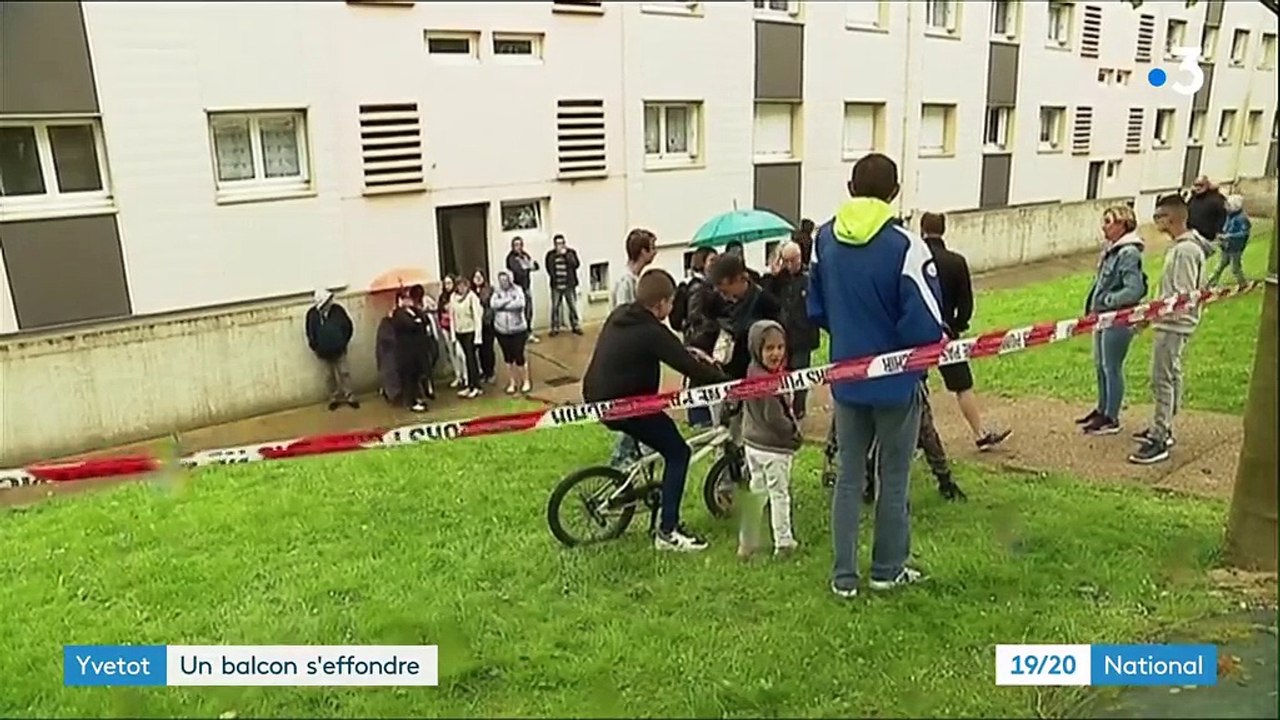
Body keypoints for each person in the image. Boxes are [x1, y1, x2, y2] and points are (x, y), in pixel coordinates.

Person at [808, 153, 946, 598]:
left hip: (848, 376)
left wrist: (850, 340)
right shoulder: (907, 245)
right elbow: (925, 322)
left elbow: (818, 308)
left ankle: (843, 576)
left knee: (849, 476)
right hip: (897, 380)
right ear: (895, 192)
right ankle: (887, 569)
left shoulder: (822, 240)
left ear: (850, 187)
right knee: (894, 476)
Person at [581, 268, 729, 552]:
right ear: (661, 303)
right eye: (671, 302)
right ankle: (667, 531)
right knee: (678, 453)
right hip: (627, 406)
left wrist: (690, 354)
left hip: (597, 398)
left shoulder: (621, 315)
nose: (671, 308)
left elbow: (675, 351)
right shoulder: (651, 331)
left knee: (657, 443)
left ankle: (644, 490)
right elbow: (686, 366)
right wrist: (728, 383)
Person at [1130, 194, 1213, 465]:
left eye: (1159, 217)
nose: (1155, 222)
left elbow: (1181, 295)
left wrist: (1150, 317)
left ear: (1173, 218)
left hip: (1174, 324)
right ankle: (1163, 425)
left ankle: (1160, 435)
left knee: (1162, 378)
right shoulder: (1180, 247)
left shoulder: (1186, 251)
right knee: (1171, 374)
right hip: (1170, 322)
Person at [918, 212, 1011, 451]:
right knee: (962, 385)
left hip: (915, 332)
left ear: (922, 229)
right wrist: (955, 327)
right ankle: (979, 433)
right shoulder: (956, 262)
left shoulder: (915, 259)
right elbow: (966, 304)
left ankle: (914, 437)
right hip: (947, 335)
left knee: (914, 384)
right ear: (944, 229)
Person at [1077, 205, 1147, 436]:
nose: (1104, 226)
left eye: (1109, 221)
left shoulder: (1128, 253)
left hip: (1118, 318)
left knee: (1112, 367)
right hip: (1102, 318)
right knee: (1100, 365)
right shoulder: (1111, 250)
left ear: (1123, 224)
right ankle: (1102, 408)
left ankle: (1111, 416)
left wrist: (1107, 300)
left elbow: (1134, 289)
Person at [737, 319, 803, 559]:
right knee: (779, 494)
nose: (776, 353)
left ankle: (747, 542)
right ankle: (784, 542)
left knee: (757, 492)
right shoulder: (767, 381)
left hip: (753, 445)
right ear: (757, 349)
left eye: (780, 347)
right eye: (769, 348)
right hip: (773, 448)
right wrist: (793, 433)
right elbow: (774, 417)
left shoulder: (752, 372)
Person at [608, 229, 659, 468]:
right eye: (653, 246)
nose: (656, 251)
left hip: (635, 355)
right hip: (626, 358)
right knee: (631, 407)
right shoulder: (625, 282)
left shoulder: (636, 280)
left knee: (639, 406)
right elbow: (624, 318)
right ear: (643, 251)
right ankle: (620, 457)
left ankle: (637, 449)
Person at [761, 240, 819, 419]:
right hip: (782, 335)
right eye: (786, 260)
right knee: (780, 376)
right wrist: (773, 275)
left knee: (800, 376)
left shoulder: (809, 279)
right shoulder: (778, 280)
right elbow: (765, 297)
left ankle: (799, 409)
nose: (789, 265)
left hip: (802, 336)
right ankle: (783, 410)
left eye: (793, 260)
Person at [707, 252, 783, 382]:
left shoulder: (766, 302)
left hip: (760, 380)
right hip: (729, 377)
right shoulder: (718, 304)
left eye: (724, 291)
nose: (723, 296)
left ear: (738, 279)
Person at [679, 247, 720, 428]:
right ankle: (699, 419)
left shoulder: (709, 286)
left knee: (702, 380)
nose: (714, 265)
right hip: (699, 342)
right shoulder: (698, 287)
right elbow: (694, 316)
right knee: (698, 380)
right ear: (701, 263)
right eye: (711, 261)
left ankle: (702, 418)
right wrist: (713, 326)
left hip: (703, 340)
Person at [305, 288, 359, 411]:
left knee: (345, 373)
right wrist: (315, 346)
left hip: (339, 349)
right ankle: (334, 398)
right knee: (329, 377)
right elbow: (310, 332)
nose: (330, 302)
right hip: (323, 352)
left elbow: (348, 326)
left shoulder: (338, 310)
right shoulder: (312, 315)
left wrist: (344, 341)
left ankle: (350, 397)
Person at [492, 271, 532, 395]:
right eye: (501, 280)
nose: (503, 282)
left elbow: (520, 304)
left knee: (519, 355)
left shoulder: (518, 290)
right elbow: (493, 304)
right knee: (508, 358)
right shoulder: (497, 292)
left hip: (518, 329)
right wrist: (508, 301)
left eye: (505, 280)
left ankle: (525, 381)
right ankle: (512, 382)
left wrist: (503, 305)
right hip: (501, 329)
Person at [390, 289, 430, 412]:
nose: (408, 301)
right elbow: (410, 325)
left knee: (416, 375)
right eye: (405, 299)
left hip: (417, 349)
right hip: (406, 350)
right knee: (408, 377)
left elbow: (425, 321)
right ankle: (411, 401)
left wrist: (419, 319)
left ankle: (417, 397)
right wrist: (417, 323)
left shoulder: (415, 310)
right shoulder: (398, 314)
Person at [450, 275, 486, 399]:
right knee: (465, 358)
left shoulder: (472, 297)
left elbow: (477, 317)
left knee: (471, 359)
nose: (461, 288)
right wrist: (453, 335)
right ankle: (469, 385)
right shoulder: (453, 298)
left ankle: (475, 386)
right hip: (460, 331)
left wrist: (478, 336)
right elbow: (452, 317)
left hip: (470, 331)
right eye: (459, 286)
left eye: (463, 285)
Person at [544, 234, 583, 336]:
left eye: (561, 243)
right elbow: (548, 268)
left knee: (572, 306)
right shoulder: (550, 255)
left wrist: (566, 255)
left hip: (569, 284)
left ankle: (575, 325)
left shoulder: (571, 253)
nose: (559, 246)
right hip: (556, 285)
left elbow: (576, 264)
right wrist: (554, 277)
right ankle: (555, 327)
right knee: (555, 307)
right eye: (557, 244)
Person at [1208, 194, 1251, 287]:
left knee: (1235, 268)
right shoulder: (1229, 216)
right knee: (1220, 265)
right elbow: (1226, 227)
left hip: (1236, 247)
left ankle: (1243, 284)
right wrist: (1221, 235)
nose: (1225, 207)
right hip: (1226, 246)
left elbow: (1244, 233)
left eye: (1228, 205)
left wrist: (1229, 236)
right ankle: (1210, 283)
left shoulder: (1242, 218)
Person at [505, 237, 540, 342]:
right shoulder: (511, 257)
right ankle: (520, 334)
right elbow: (518, 270)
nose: (518, 247)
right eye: (515, 245)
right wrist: (527, 267)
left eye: (519, 244)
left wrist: (529, 266)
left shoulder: (524, 255)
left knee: (529, 311)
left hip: (526, 287)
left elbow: (535, 266)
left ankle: (528, 332)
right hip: (517, 289)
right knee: (519, 312)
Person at [408, 284, 439, 402]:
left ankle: (428, 381)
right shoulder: (413, 306)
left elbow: (435, 307)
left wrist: (428, 309)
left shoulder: (426, 300)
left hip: (430, 334)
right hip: (421, 339)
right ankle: (426, 385)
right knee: (424, 363)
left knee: (434, 356)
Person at [437, 276, 466, 388]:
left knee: (460, 353)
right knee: (451, 352)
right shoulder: (442, 297)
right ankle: (457, 375)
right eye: (445, 283)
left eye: (449, 283)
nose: (447, 286)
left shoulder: (457, 296)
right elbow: (439, 311)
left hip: (458, 327)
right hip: (446, 327)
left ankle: (465, 375)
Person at [472, 269, 498, 384]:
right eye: (475, 277)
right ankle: (484, 371)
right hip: (477, 324)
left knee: (488, 349)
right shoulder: (471, 291)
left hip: (487, 322)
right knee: (481, 350)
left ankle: (490, 372)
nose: (477, 279)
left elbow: (486, 303)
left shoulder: (489, 289)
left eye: (479, 276)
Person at [1186, 175, 1227, 247]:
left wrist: (1219, 232)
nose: (1198, 187)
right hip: (1191, 233)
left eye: (1200, 185)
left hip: (1207, 237)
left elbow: (1222, 217)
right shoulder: (1193, 198)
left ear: (1207, 185)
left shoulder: (1217, 199)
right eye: (1196, 185)